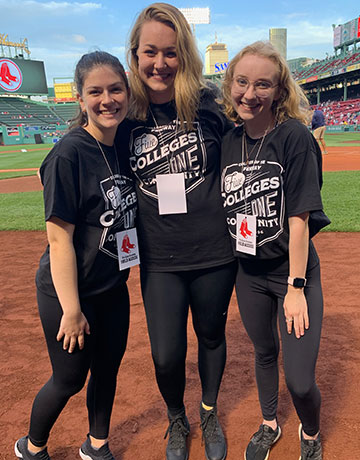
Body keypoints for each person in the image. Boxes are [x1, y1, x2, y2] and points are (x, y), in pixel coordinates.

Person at [117, 3, 237, 460]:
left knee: (211, 336)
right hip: (159, 258)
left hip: (213, 252)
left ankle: (207, 410)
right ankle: (176, 417)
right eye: (150, 52)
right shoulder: (125, 112)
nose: (160, 63)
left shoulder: (209, 106)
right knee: (166, 354)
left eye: (171, 53)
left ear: (184, 54)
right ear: (135, 53)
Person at [15, 51, 137, 460]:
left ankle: (96, 444)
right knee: (69, 378)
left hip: (111, 287)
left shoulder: (122, 143)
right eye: (96, 92)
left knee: (107, 368)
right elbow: (59, 240)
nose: (108, 100)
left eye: (115, 89)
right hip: (69, 293)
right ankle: (32, 447)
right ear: (80, 99)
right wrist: (72, 310)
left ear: (127, 92)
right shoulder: (69, 153)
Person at [220, 41, 326, 460]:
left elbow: (299, 218)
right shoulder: (230, 142)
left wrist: (296, 286)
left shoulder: (295, 137)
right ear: (230, 85)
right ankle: (269, 423)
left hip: (292, 272)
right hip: (248, 274)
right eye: (242, 82)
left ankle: (311, 433)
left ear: (279, 91)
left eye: (263, 84)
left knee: (299, 381)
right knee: (264, 352)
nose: (250, 93)